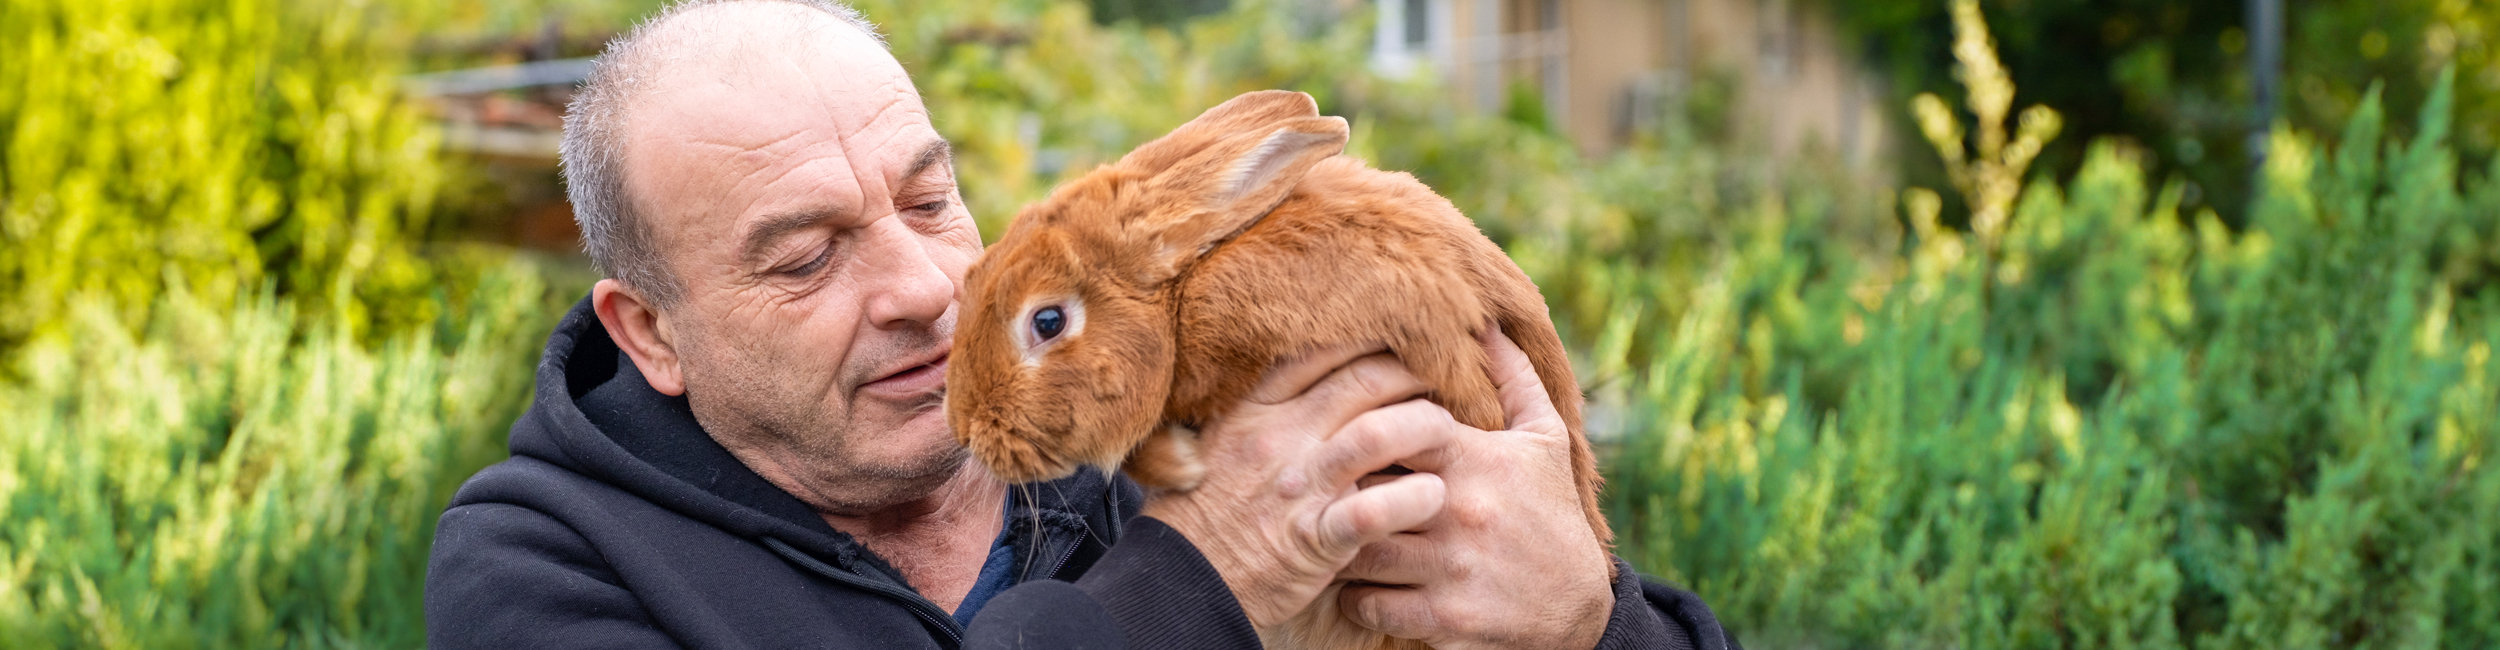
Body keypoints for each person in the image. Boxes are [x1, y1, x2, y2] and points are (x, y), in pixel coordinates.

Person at [421, 1, 1738, 648]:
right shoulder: (538, 560)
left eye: (929, 199)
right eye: (806, 256)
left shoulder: (1133, 396)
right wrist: (1204, 575)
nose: (925, 287)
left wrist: (1593, 620)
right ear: (650, 333)